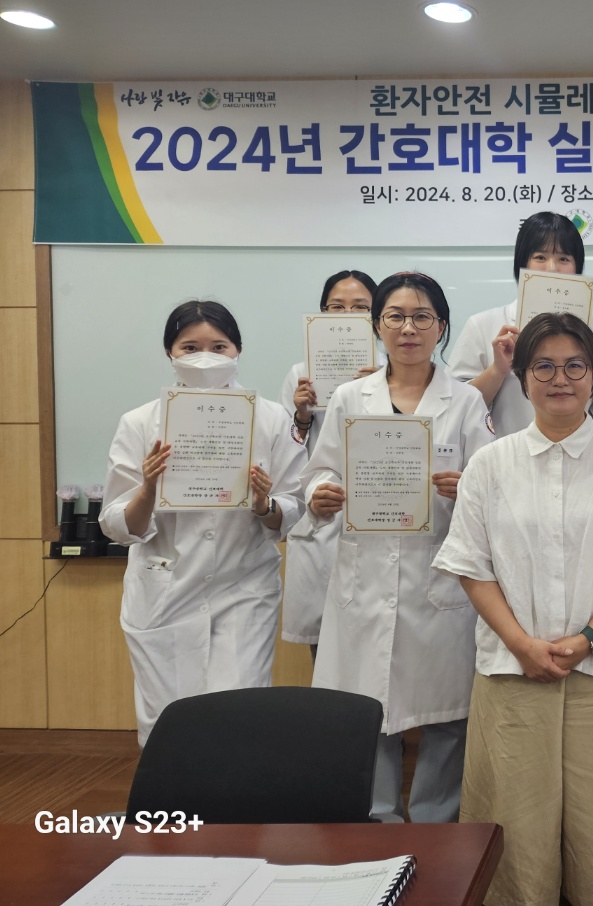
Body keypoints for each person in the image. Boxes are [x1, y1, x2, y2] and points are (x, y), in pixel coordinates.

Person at [436, 312, 593, 906]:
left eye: (574, 366)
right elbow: (471, 564)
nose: (559, 378)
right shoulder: (491, 463)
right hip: (513, 669)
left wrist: (589, 638)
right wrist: (521, 643)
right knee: (514, 824)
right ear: (522, 377)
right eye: (543, 366)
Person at [301, 272, 493, 823]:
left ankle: (435, 823)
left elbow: (494, 482)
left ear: (441, 327)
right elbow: (319, 472)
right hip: (365, 574)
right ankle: (378, 823)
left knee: (447, 716)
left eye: (422, 317)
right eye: (395, 316)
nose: (409, 328)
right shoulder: (349, 398)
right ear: (377, 325)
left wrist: (467, 486)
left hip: (439, 579)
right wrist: (321, 494)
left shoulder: (466, 401)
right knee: (369, 711)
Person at [101, 300, 305, 745]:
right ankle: (174, 794)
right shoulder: (139, 422)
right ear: (170, 353)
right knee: (170, 727)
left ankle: (236, 795)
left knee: (239, 720)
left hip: (244, 588)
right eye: (190, 347)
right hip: (165, 591)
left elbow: (292, 507)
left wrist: (263, 504)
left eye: (219, 346)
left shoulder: (272, 418)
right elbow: (116, 524)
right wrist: (148, 488)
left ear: (238, 350)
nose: (205, 357)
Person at [447, 211, 593, 436]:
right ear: (522, 263)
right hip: (507, 454)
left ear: (577, 267)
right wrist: (498, 370)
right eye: (540, 257)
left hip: (583, 455)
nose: (552, 268)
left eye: (564, 259)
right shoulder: (483, 326)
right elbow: (455, 408)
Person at [279, 268, 379, 661]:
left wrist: (381, 391)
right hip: (323, 514)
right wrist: (302, 414)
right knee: (326, 654)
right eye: (336, 307)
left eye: (360, 307)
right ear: (322, 313)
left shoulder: (393, 369)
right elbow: (287, 452)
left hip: (378, 510)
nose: (347, 315)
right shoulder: (300, 374)